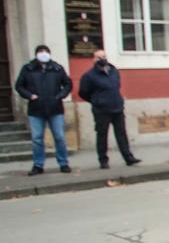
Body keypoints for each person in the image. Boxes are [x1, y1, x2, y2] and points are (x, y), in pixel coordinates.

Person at [14, 44, 73, 175]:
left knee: (59, 137)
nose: (43, 54)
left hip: (55, 108)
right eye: (40, 52)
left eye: (45, 52)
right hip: (36, 109)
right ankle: (38, 165)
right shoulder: (28, 69)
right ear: (36, 54)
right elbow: (19, 86)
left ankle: (63, 163)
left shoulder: (57, 68)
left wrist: (60, 95)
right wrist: (29, 95)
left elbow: (68, 84)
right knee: (37, 139)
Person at [77, 49, 139, 170]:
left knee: (121, 134)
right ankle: (103, 160)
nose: (102, 59)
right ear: (94, 59)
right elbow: (83, 92)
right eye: (99, 57)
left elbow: (117, 86)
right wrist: (96, 100)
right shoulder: (89, 76)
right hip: (101, 110)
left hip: (117, 107)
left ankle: (128, 158)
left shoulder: (113, 71)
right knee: (102, 135)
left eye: (104, 56)